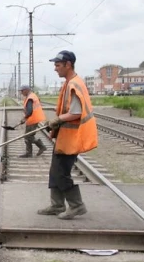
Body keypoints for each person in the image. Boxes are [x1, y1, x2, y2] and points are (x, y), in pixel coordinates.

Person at [38, 50, 98, 220]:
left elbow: (76, 113)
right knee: (54, 171)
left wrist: (57, 120)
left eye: (57, 65)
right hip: (65, 137)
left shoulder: (74, 85)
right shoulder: (69, 82)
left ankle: (77, 206)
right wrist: (56, 126)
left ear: (68, 64)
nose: (55, 69)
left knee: (61, 173)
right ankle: (57, 205)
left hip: (72, 138)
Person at [18, 84, 47, 158]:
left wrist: (24, 118)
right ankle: (29, 153)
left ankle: (41, 146)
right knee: (28, 136)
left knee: (28, 136)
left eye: (22, 91)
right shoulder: (32, 96)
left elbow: (30, 110)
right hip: (33, 119)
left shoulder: (30, 98)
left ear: (27, 90)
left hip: (33, 119)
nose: (21, 92)